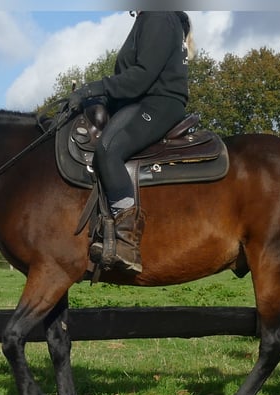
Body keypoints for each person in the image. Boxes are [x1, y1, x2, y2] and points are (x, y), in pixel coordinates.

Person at [68, 11, 193, 274]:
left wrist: (93, 89)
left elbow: (140, 78)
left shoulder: (158, 16)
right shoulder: (150, 17)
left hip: (158, 102)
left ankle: (126, 241)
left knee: (109, 148)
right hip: (141, 101)